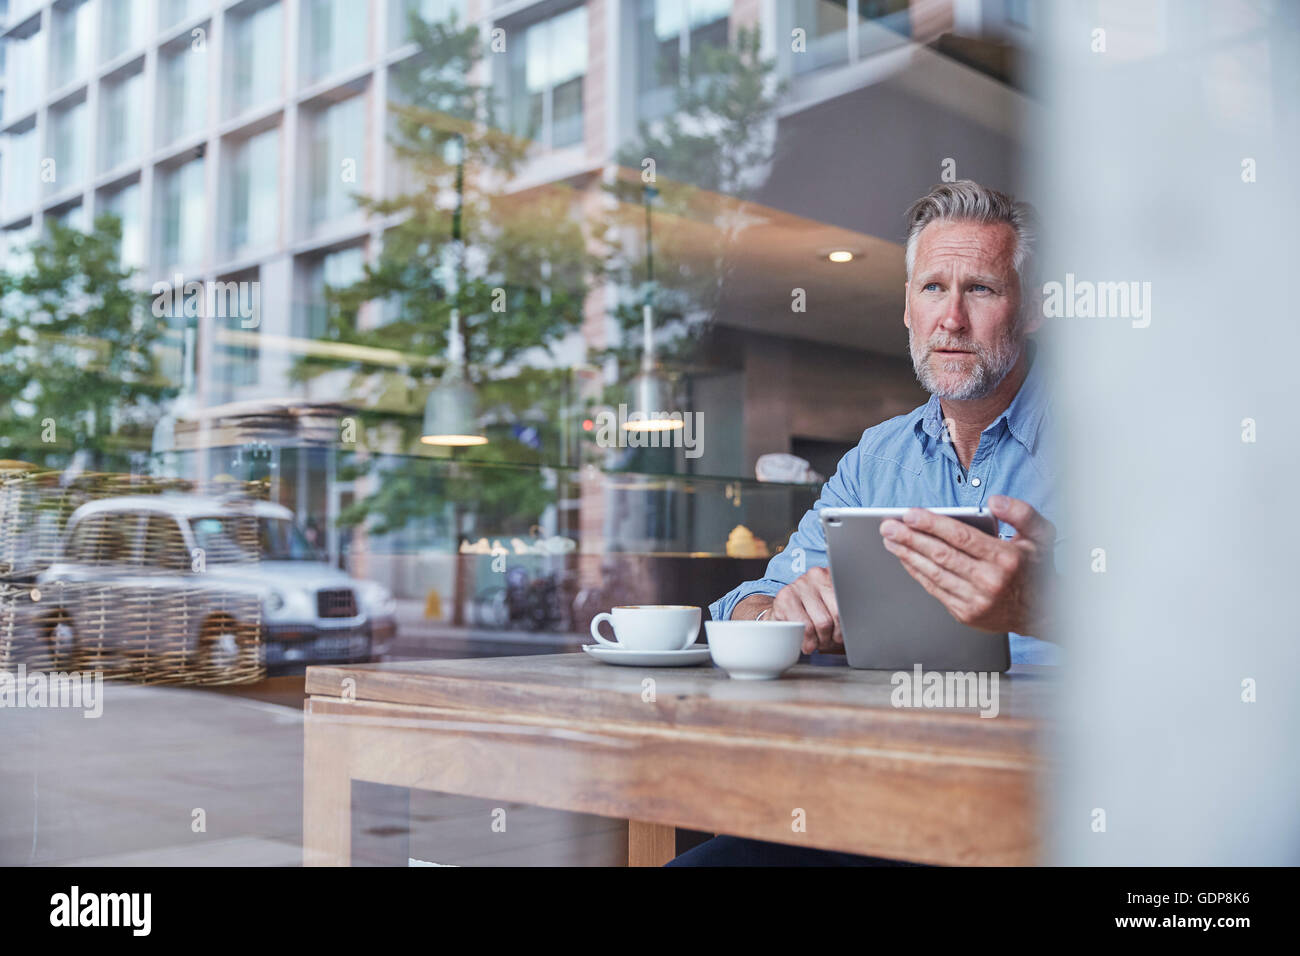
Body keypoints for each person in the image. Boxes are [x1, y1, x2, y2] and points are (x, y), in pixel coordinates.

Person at [668, 180, 1059, 867]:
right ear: (907, 310)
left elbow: (1202, 644)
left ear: (1031, 311)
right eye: (934, 288)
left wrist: (1050, 607)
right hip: (878, 794)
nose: (953, 320)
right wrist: (781, 614)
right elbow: (747, 605)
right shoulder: (876, 458)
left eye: (983, 290)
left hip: (1050, 810)